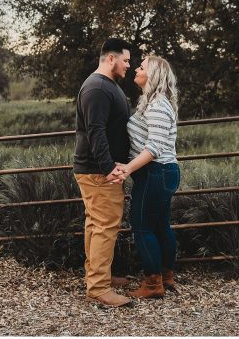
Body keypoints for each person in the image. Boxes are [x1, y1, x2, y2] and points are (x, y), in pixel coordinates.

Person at [112, 55, 181, 299]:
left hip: (157, 173)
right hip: (159, 174)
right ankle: (166, 276)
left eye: (142, 67)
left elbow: (154, 149)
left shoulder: (158, 105)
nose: (137, 69)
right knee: (160, 225)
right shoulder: (151, 102)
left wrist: (128, 168)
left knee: (141, 227)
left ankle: (153, 284)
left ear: (153, 75)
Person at [73, 38, 134, 308]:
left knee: (96, 225)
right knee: (105, 226)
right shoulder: (97, 88)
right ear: (111, 58)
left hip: (98, 171)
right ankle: (98, 287)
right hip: (99, 172)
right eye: (126, 60)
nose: (129, 66)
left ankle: (98, 275)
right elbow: (95, 130)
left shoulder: (106, 86)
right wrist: (109, 167)